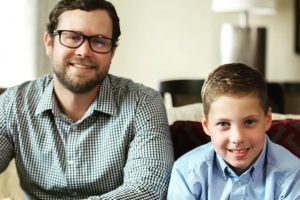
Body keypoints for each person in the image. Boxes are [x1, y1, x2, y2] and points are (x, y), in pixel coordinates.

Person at [0, 0, 174, 199]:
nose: (83, 51)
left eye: (99, 41)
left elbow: (148, 190)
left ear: (112, 52)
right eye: (72, 37)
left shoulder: (143, 103)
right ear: (49, 43)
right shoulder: (14, 103)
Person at [167, 63, 300, 200]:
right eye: (223, 124)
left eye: (249, 122)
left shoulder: (293, 173)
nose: (237, 138)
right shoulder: (186, 172)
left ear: (267, 120)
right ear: (206, 125)